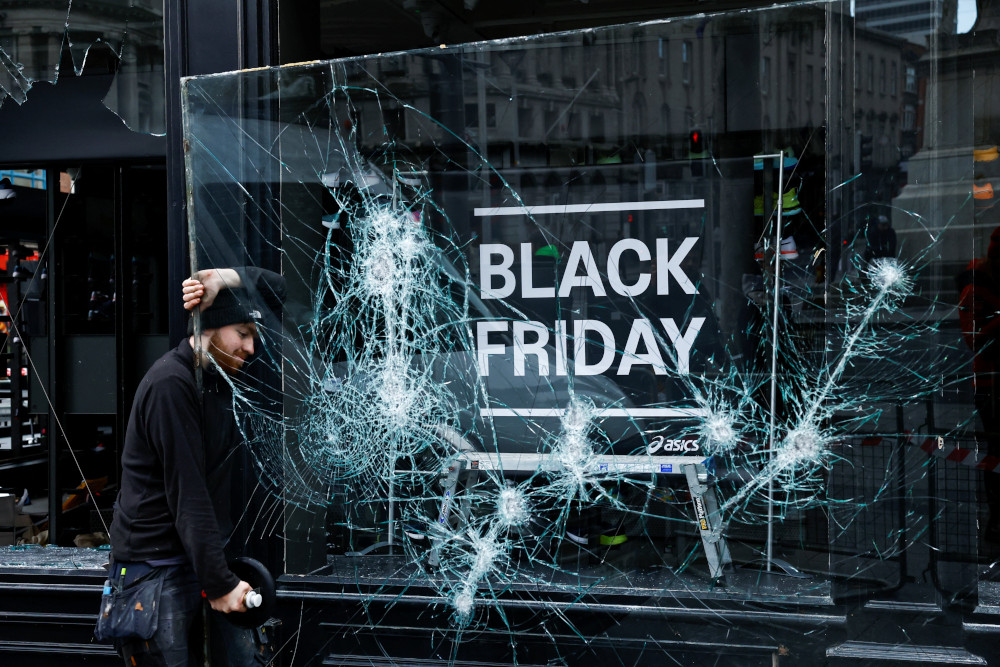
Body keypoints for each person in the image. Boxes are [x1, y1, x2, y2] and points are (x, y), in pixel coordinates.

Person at [107, 266, 284, 666]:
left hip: (197, 562)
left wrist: (224, 276)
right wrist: (221, 583)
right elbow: (188, 493)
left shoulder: (218, 374)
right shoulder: (172, 383)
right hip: (153, 573)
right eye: (242, 333)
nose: (251, 348)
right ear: (211, 328)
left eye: (253, 336)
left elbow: (280, 287)